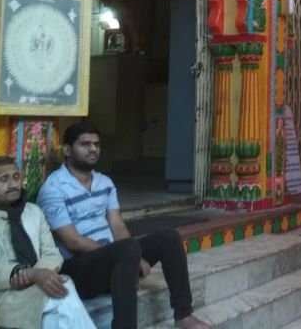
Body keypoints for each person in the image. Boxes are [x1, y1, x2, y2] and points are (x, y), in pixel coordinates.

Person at [37, 120, 209, 329]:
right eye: (85, 144)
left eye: (96, 144)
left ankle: (183, 315)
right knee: (126, 249)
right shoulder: (53, 188)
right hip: (79, 270)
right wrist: (130, 254)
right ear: (67, 150)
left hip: (115, 261)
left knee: (169, 238)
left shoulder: (104, 182)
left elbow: (117, 225)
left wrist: (131, 253)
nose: (93, 149)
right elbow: (73, 241)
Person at [0, 156, 96, 329]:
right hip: (4, 296)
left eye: (16, 177)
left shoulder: (34, 212)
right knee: (63, 292)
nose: (13, 184)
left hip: (37, 288)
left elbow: (52, 253)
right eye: (4, 179)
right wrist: (30, 274)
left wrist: (41, 275)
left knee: (58, 301)